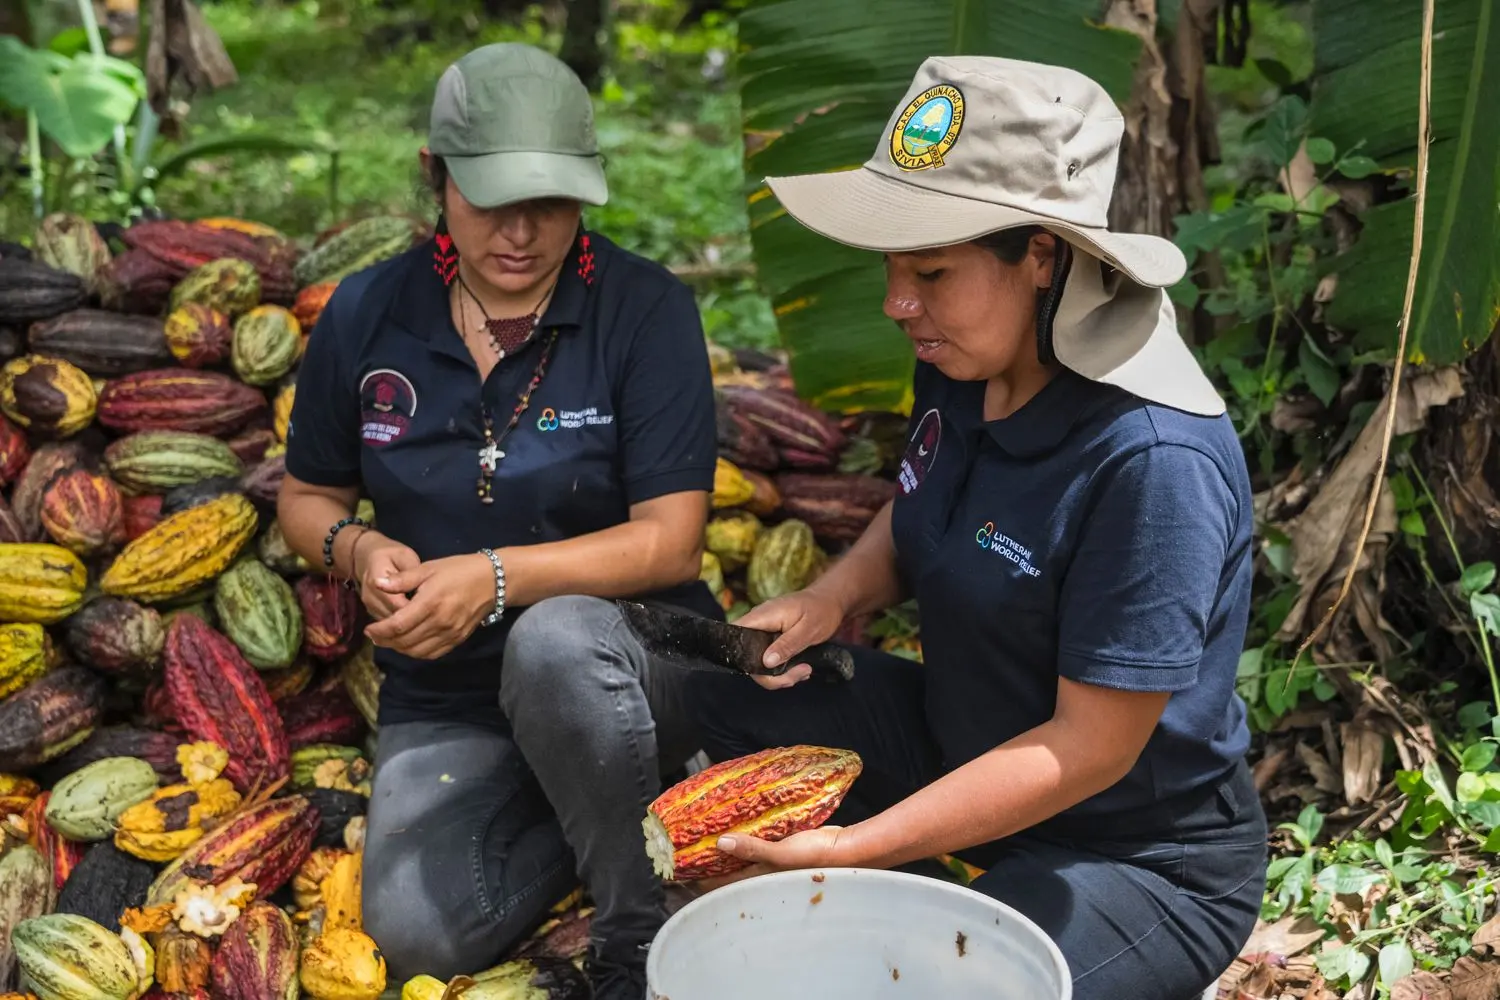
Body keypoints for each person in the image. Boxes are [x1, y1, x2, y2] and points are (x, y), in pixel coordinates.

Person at [685, 55, 1267, 1000]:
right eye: (890, 268)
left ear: (1042, 256)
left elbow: (1088, 746)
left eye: (931, 271)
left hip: (1131, 851)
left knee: (920, 984)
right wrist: (835, 595)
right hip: (957, 748)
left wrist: (859, 848)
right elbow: (922, 503)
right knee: (701, 679)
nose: (894, 303)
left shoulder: (1155, 461)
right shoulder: (962, 360)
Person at [276, 42, 723, 997]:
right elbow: (305, 495)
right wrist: (357, 551)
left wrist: (497, 576)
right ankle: (621, 811)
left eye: (552, 205)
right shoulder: (367, 313)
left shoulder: (645, 310)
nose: (521, 234)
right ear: (436, 178)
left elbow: (671, 539)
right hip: (448, 690)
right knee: (420, 936)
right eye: (490, 201)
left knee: (555, 644)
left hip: (629, 659)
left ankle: (636, 935)